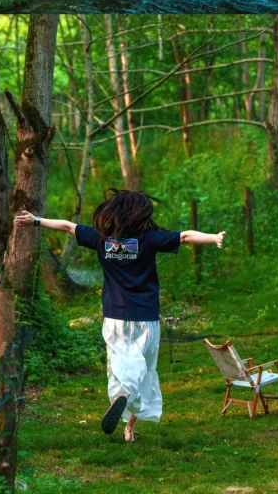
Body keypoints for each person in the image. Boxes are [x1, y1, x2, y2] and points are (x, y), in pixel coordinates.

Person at [13, 189, 225, 441]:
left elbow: (68, 227)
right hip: (146, 317)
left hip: (115, 317)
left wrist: (35, 220)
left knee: (119, 368)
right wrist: (213, 237)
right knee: (145, 372)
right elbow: (186, 236)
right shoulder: (150, 239)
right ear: (139, 214)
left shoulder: (101, 239)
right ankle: (129, 422)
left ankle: (125, 408)